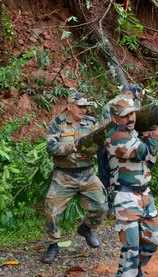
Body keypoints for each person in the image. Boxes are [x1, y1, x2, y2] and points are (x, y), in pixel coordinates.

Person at [105, 97, 158, 277]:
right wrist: (156, 134)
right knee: (131, 250)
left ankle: (133, 270)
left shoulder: (135, 134)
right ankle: (130, 271)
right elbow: (143, 152)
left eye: (132, 113)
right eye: (125, 115)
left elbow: (150, 161)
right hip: (126, 198)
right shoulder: (116, 137)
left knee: (154, 240)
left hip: (145, 195)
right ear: (115, 118)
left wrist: (151, 137)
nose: (130, 119)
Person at [42, 93, 108, 264]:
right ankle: (53, 244)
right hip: (64, 175)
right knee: (51, 210)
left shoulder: (91, 122)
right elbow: (51, 147)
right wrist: (73, 146)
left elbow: (101, 142)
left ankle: (86, 229)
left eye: (85, 106)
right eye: (80, 106)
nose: (83, 109)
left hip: (87, 173)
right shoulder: (58, 123)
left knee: (101, 206)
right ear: (70, 106)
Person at [98, 84, 143, 207]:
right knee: (116, 173)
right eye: (135, 96)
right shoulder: (121, 104)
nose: (134, 99)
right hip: (118, 143)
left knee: (106, 172)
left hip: (106, 143)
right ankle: (114, 203)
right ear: (130, 93)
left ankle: (107, 202)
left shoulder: (110, 103)